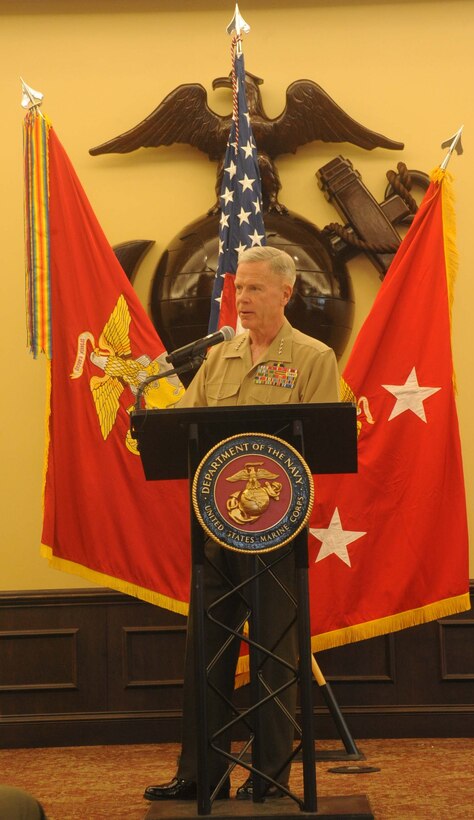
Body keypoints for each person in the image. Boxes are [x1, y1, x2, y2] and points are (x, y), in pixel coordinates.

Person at [144, 245, 340, 802]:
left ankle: (271, 775)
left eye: (254, 288)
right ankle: (199, 774)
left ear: (286, 293)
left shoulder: (312, 356)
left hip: (276, 534)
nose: (242, 299)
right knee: (204, 650)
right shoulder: (220, 356)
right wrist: (154, 429)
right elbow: (188, 422)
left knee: (275, 656)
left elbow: (321, 445)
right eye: (238, 288)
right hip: (215, 527)